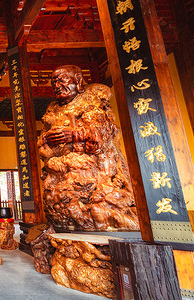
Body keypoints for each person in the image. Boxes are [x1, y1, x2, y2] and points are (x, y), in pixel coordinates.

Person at [38, 65, 139, 231]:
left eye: (62, 80)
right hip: (61, 168)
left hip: (92, 167)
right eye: (53, 82)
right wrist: (47, 138)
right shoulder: (53, 109)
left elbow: (105, 131)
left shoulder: (91, 102)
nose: (57, 85)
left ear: (78, 81)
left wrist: (75, 134)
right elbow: (43, 138)